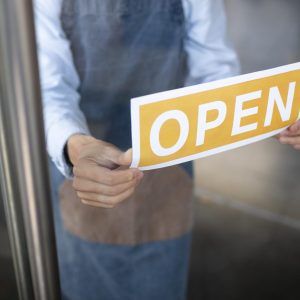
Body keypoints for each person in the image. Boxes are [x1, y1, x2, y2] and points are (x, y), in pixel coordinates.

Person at [34, 0, 239, 299]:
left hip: (167, 178)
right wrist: (77, 147)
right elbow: (49, 89)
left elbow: (216, 75)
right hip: (83, 172)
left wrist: (275, 118)